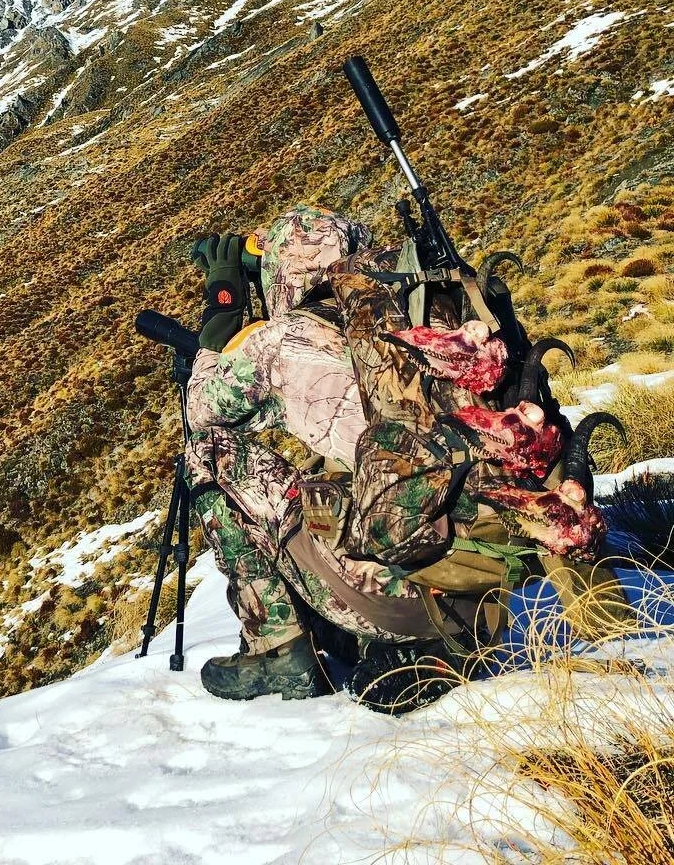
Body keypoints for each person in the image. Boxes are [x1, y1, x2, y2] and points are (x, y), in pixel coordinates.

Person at [184, 205, 564, 710]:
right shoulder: (430, 315)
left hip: (397, 599)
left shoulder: (280, 344)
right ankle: (426, 631)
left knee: (208, 454)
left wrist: (224, 302)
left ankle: (277, 648)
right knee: (352, 463)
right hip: (490, 591)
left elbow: (202, 408)